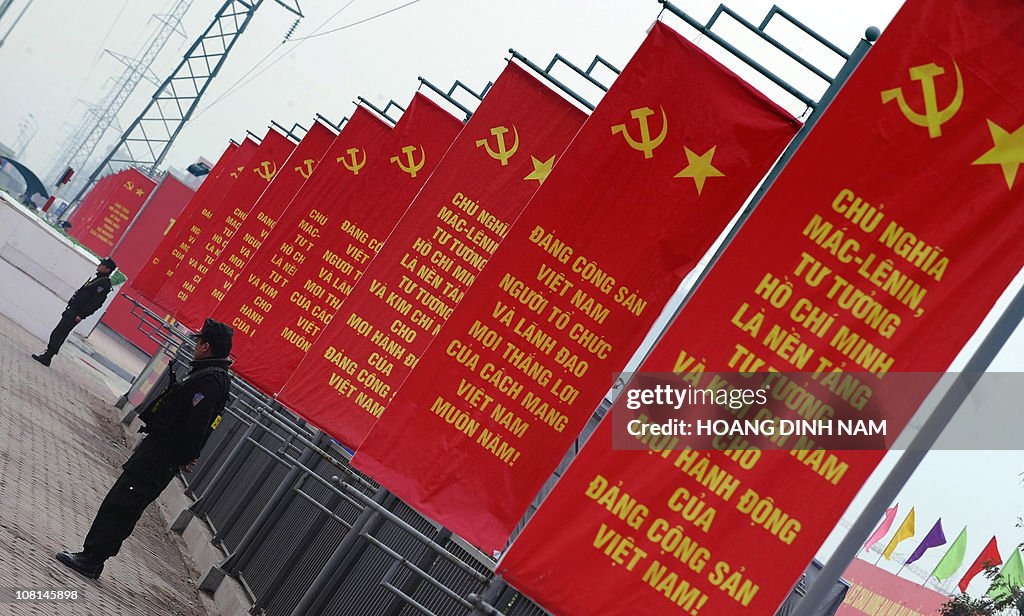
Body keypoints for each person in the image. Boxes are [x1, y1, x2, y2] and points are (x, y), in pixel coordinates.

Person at [57, 318, 234, 579]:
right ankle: (92, 556)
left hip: (161, 454)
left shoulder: (209, 380)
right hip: (160, 451)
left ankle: (91, 558)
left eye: (198, 342)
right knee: (123, 501)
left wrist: (187, 454)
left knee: (122, 503)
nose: (195, 345)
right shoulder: (209, 375)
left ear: (206, 346)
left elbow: (197, 424)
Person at [32, 257, 117, 367]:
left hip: (77, 313)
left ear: (107, 269)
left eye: (102, 265)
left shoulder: (103, 284)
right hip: (73, 309)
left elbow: (95, 303)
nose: (99, 265)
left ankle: (48, 356)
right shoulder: (97, 279)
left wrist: (82, 315)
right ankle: (48, 355)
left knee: (59, 333)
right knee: (58, 332)